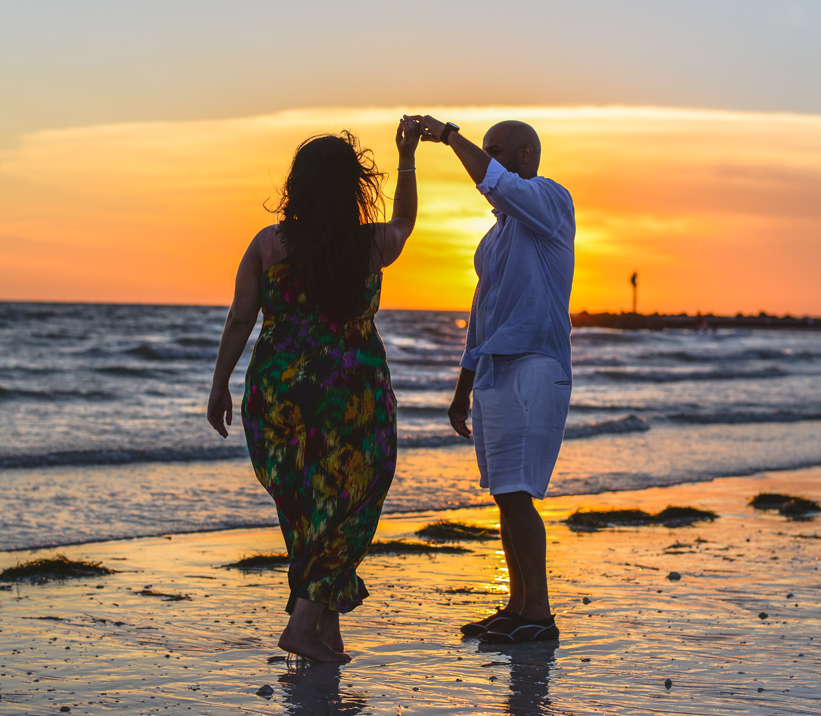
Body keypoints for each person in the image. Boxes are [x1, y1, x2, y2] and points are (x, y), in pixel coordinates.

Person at [206, 119, 421, 663]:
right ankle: (303, 626)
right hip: (352, 396)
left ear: (297, 184)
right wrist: (407, 156)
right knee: (354, 501)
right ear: (353, 186)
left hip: (278, 395)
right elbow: (405, 221)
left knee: (308, 507)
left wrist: (219, 385)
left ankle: (326, 630)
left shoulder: (269, 243)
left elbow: (239, 320)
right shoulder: (371, 243)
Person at [414, 115, 575, 644]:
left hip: (535, 364)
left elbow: (496, 182)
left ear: (527, 156)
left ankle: (541, 614)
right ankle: (518, 606)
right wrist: (460, 390)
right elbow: (480, 318)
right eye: (486, 149)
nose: (488, 159)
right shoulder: (493, 238)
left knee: (519, 492)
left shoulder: (550, 202)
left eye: (498, 150)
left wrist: (448, 135)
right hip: (494, 370)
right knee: (505, 494)